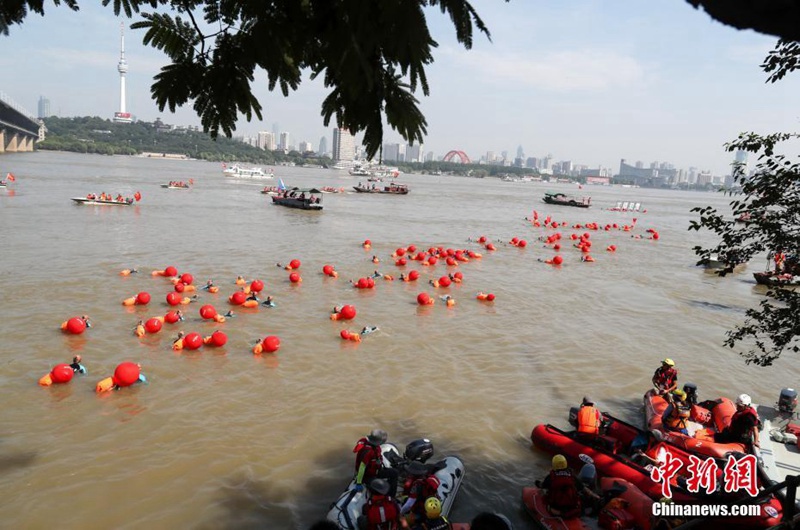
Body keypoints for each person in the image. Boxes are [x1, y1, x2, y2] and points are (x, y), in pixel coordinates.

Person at [538, 454, 599, 519]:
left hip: (556, 507)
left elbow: (543, 486)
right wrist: (596, 496)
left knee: (542, 494)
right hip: (571, 507)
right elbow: (584, 488)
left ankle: (559, 513)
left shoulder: (551, 477)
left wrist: (538, 484)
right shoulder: (572, 476)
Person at [354, 429, 398, 496]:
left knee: (394, 472)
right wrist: (359, 482)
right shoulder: (368, 452)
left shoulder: (374, 446)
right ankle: (384, 495)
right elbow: (362, 468)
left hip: (376, 470)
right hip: (367, 476)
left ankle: (391, 495)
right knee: (380, 486)